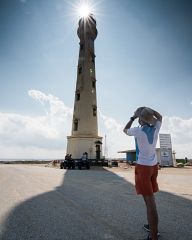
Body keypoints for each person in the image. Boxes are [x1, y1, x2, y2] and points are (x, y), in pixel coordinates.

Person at [123, 107, 162, 240]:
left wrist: (132, 117)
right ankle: (152, 227)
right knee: (149, 200)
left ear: (141, 119)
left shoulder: (138, 131)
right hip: (153, 167)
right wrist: (150, 112)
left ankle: (153, 236)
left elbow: (125, 130)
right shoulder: (156, 128)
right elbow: (160, 117)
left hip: (143, 168)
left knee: (150, 202)